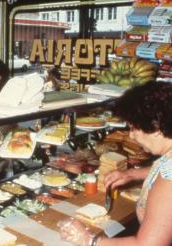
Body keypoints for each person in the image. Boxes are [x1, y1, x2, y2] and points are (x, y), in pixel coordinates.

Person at [60, 81, 172, 246]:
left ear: (155, 129)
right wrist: (132, 174)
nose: (131, 136)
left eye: (133, 128)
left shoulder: (168, 181)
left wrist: (89, 240)